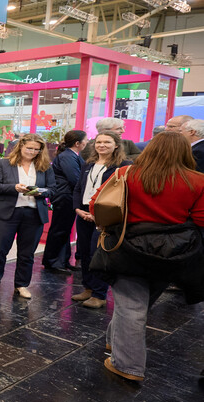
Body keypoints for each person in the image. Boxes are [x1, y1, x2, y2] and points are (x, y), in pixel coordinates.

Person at [90, 131, 204, 382]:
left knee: (131, 305)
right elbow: (201, 219)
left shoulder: (126, 174)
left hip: (128, 247)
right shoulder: (199, 181)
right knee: (137, 303)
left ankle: (127, 366)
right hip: (173, 251)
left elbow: (97, 205)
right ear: (186, 152)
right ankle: (113, 343)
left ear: (150, 149)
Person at [0, 133, 53, 299]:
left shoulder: (45, 167)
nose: (32, 152)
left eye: (36, 149)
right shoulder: (3, 164)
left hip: (34, 214)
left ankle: (21, 285)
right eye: (29, 148)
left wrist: (39, 192)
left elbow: (53, 189)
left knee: (27, 253)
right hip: (8, 212)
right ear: (20, 146)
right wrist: (14, 187)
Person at [72, 132, 130, 309]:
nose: (102, 145)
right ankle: (88, 288)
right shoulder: (88, 164)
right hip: (83, 214)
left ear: (116, 145)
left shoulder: (123, 166)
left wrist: (99, 215)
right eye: (99, 142)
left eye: (107, 142)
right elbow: (78, 188)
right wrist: (78, 209)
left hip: (104, 217)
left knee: (98, 254)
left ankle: (99, 294)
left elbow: (122, 194)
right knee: (84, 253)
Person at [42, 130, 87, 273]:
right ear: (77, 143)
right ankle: (53, 261)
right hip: (64, 196)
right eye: (85, 140)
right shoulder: (67, 156)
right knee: (60, 229)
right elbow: (75, 178)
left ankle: (61, 261)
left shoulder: (70, 155)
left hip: (67, 196)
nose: (87, 142)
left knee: (64, 229)